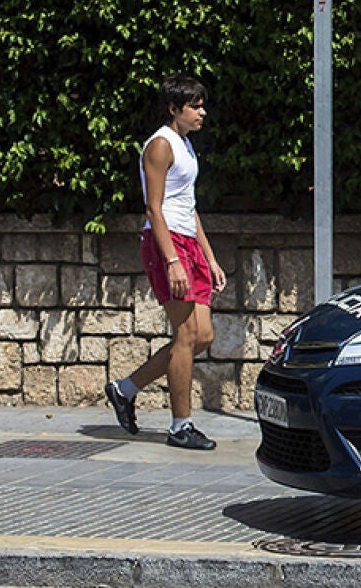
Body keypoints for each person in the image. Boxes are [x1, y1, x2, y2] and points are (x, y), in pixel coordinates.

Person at [105, 75, 226, 450]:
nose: (202, 111)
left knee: (202, 335)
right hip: (166, 244)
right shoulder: (160, 145)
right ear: (175, 109)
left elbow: (188, 208)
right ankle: (180, 426)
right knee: (187, 336)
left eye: (202, 105)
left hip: (188, 242)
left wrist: (210, 257)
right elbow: (154, 208)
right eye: (195, 106)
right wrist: (172, 260)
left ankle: (125, 389)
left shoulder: (186, 146)